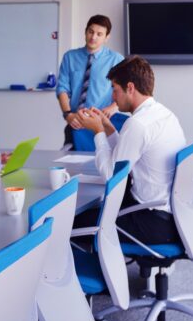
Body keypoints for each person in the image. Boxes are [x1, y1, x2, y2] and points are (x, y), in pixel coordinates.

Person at [74, 56, 186, 246]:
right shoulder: (164, 114)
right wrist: (108, 127)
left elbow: (111, 176)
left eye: (115, 90)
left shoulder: (138, 124)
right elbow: (128, 155)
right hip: (172, 216)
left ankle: (96, 274)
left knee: (75, 224)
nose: (113, 97)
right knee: (95, 212)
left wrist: (98, 132)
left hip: (151, 220)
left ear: (130, 88)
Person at [56, 14, 125, 150]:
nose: (93, 37)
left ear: (106, 37)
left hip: (104, 123)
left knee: (103, 162)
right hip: (77, 122)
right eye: (91, 32)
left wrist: (113, 107)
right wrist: (68, 114)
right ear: (85, 32)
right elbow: (62, 89)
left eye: (99, 34)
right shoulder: (70, 57)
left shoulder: (116, 59)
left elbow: (124, 90)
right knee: (70, 161)